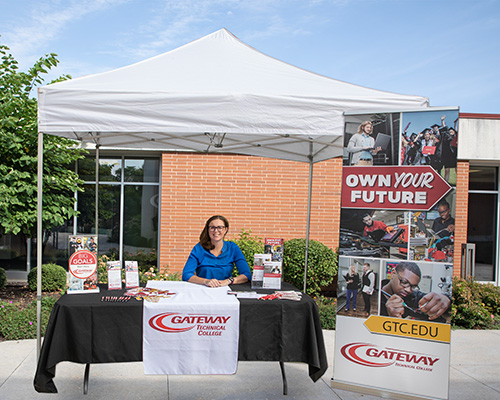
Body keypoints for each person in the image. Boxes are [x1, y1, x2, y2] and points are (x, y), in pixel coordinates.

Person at [182, 215, 251, 287]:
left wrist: (228, 281)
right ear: (208, 229)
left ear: (225, 229)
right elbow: (186, 274)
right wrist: (206, 281)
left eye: (220, 227)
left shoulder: (232, 248)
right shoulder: (199, 248)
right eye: (212, 227)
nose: (216, 231)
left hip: (225, 290)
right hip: (203, 289)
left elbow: (246, 275)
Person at [381, 261, 451, 322]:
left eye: (413, 286)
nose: (408, 290)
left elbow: (437, 302)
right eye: (404, 282)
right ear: (393, 274)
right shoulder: (374, 296)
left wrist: (446, 298)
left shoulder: (414, 297)